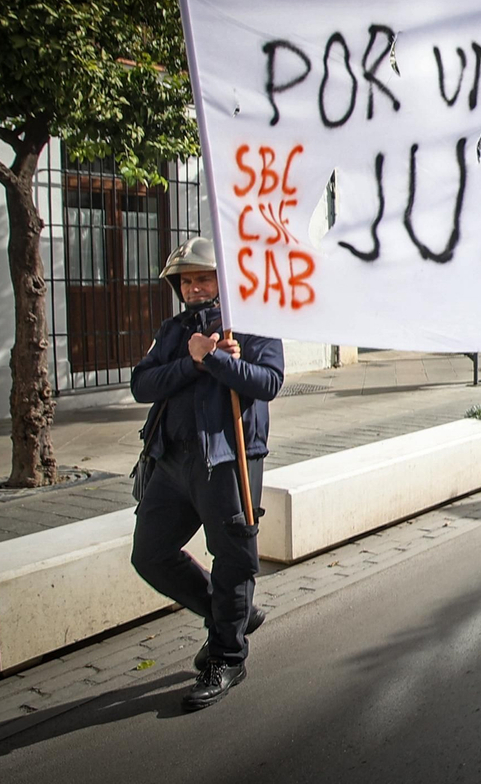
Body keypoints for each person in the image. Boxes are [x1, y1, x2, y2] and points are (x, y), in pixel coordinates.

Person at [130, 237, 285, 711]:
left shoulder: (253, 321)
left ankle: (227, 654)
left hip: (229, 458)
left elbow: (270, 382)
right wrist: (195, 360)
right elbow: (142, 383)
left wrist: (219, 360)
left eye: (203, 278)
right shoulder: (174, 330)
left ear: (223, 281)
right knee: (150, 553)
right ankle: (230, 616)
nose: (195, 288)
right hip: (173, 462)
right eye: (187, 280)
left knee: (233, 558)